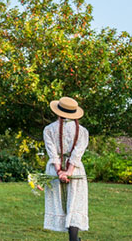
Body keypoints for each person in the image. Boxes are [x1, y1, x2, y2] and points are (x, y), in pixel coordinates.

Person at [43, 97, 89, 241]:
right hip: (75, 171)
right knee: (75, 204)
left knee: (62, 203)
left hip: (55, 171)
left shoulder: (49, 129)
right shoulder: (82, 131)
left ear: (58, 111)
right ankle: (74, 239)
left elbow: (53, 153)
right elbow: (77, 154)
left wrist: (59, 172)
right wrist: (69, 172)